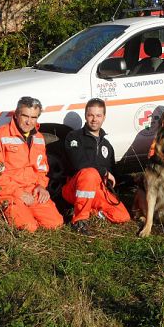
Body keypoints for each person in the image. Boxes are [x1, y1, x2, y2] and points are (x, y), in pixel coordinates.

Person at [0, 96, 64, 232]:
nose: (29, 121)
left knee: (55, 224)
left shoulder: (39, 138)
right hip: (8, 193)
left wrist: (41, 186)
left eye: (33, 117)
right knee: (28, 228)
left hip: (32, 191)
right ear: (16, 114)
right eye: (25, 116)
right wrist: (18, 193)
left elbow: (42, 169)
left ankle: (25, 213)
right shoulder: (0, 135)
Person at [62, 98, 131, 236]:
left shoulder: (107, 145)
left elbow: (114, 173)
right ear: (85, 116)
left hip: (97, 190)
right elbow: (78, 163)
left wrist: (133, 181)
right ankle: (79, 221)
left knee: (122, 216)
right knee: (90, 173)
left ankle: (87, 210)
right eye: (91, 115)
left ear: (104, 117)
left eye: (98, 115)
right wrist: (103, 172)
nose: (94, 119)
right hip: (74, 188)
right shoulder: (74, 137)